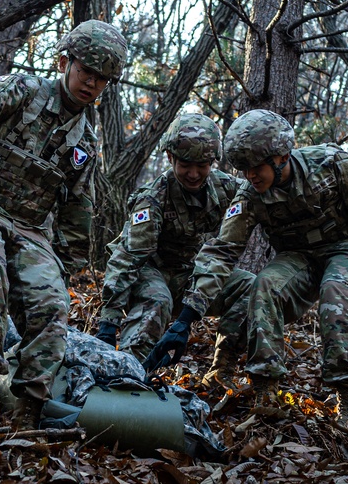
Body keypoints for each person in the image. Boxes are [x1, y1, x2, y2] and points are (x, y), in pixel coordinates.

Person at [146, 109, 348, 447]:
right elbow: (222, 251)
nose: (251, 176)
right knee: (263, 285)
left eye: (257, 168)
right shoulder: (250, 195)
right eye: (245, 170)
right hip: (297, 257)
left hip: (347, 249)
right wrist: (186, 318)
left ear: (281, 157)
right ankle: (265, 391)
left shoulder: (331, 164)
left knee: (337, 292)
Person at [0, 19, 128, 429]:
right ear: (64, 62)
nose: (91, 84)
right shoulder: (26, 90)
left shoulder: (85, 143)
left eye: (102, 79)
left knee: (52, 303)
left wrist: (66, 265)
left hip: (29, 228)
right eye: (85, 72)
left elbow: (79, 209)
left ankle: (27, 402)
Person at [94, 112, 254, 384]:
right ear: (171, 159)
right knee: (159, 299)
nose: (193, 174)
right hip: (149, 272)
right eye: (185, 165)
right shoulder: (153, 198)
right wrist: (108, 323)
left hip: (187, 274)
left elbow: (262, 193)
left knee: (249, 286)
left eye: (202, 165)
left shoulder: (226, 188)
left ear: (212, 163)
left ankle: (221, 369)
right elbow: (128, 258)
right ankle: (128, 373)